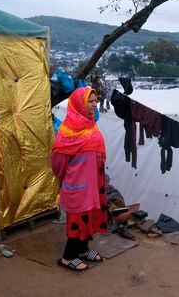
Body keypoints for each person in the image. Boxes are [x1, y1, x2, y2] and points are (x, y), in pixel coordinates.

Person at [50, 87, 108, 271]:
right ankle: (68, 256)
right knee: (77, 219)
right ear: (79, 104)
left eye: (95, 101)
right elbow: (58, 161)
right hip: (77, 184)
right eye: (90, 101)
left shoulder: (91, 125)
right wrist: (66, 178)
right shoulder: (67, 131)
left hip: (93, 184)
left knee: (89, 216)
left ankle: (83, 250)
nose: (93, 105)